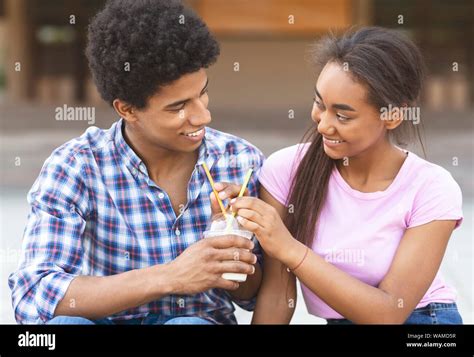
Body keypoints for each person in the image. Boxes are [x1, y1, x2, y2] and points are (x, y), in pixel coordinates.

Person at [9, 0, 264, 325]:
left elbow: (252, 297)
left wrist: (231, 244)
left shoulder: (240, 161)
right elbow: (34, 294)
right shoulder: (77, 165)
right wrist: (171, 276)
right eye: (178, 107)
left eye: (203, 93)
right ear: (127, 109)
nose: (204, 116)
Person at [230, 27, 464, 324]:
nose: (323, 125)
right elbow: (278, 295)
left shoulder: (431, 187)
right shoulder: (285, 170)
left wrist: (290, 249)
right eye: (319, 104)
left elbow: (389, 312)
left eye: (342, 116)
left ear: (392, 115)